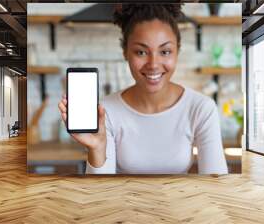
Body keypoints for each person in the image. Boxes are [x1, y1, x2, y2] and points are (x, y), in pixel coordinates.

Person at [58, 4, 228, 174]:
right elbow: (100, 195)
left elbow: (217, 183)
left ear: (178, 51)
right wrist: (97, 147)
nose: (153, 64)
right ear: (125, 52)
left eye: (165, 51)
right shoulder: (106, 110)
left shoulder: (201, 108)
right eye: (141, 52)